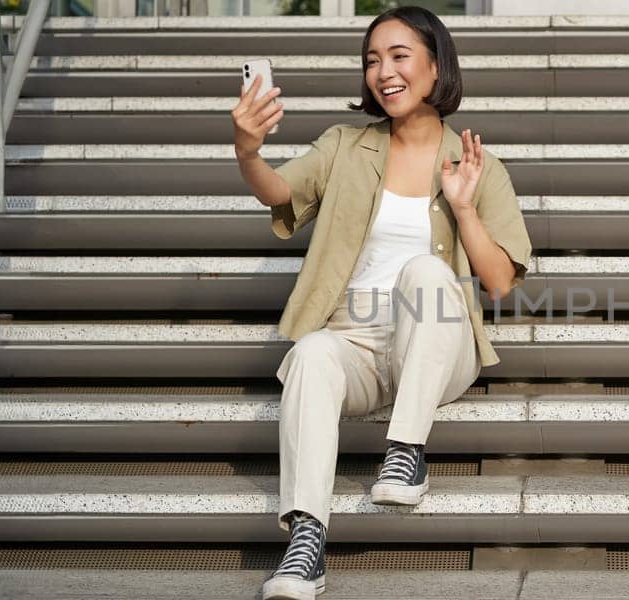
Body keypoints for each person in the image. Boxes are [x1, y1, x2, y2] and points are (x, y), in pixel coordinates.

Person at [229, 7, 533, 600]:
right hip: (356, 345)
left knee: (425, 270)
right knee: (314, 354)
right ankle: (305, 543)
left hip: (437, 341)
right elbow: (281, 190)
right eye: (372, 60)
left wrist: (464, 207)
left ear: (436, 65)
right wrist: (247, 152)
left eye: (399, 56)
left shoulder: (477, 163)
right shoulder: (345, 146)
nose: (383, 72)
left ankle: (406, 451)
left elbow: (499, 282)